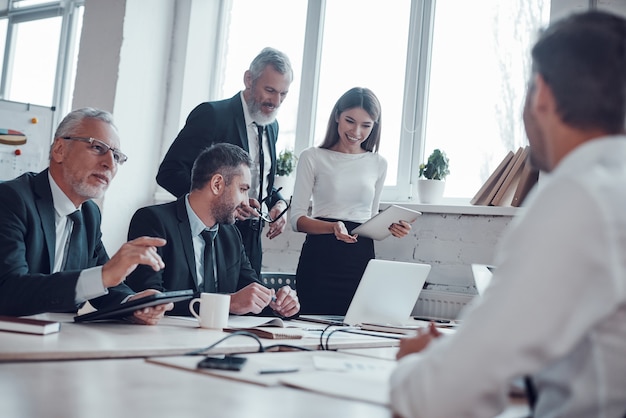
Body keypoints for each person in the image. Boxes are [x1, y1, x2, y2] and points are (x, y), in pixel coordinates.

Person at [390, 10, 626, 418]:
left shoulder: (578, 197)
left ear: (543, 95)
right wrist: (457, 353)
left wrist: (412, 363)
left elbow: (440, 401)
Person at [0, 108, 172, 324]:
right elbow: (8, 290)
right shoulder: (10, 199)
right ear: (60, 150)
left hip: (58, 339)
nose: (109, 163)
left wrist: (134, 303)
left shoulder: (90, 214)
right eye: (98, 147)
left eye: (116, 156)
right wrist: (103, 276)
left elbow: (105, 284)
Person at [156, 47, 293, 278]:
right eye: (269, 90)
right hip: (212, 237)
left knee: (251, 307)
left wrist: (279, 205)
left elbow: (260, 184)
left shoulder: (272, 126)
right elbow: (169, 172)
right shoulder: (212, 115)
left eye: (283, 94)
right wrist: (221, 202)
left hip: (252, 243)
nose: (276, 102)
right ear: (249, 79)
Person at [127, 143, 299, 318]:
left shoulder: (231, 234)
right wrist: (226, 303)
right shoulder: (153, 221)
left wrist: (279, 303)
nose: (247, 203)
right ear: (217, 184)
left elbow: (251, 292)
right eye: (243, 190)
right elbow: (149, 299)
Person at [290, 87, 411, 315]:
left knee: (355, 326)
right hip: (320, 258)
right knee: (312, 326)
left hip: (360, 259)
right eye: (350, 121)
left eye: (366, 125)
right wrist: (332, 227)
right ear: (337, 116)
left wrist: (392, 227)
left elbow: (370, 216)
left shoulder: (378, 163)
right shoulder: (312, 157)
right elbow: (296, 220)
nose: (356, 131)